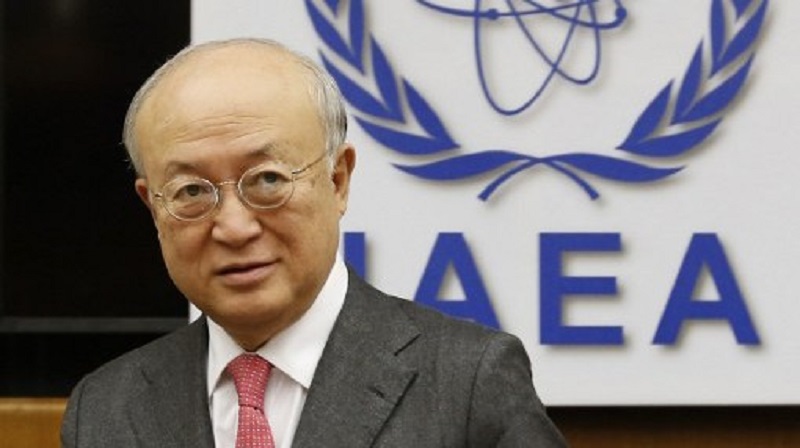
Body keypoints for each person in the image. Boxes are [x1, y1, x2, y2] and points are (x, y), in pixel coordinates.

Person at [60, 37, 567, 447]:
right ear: (153, 208)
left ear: (338, 180)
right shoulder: (106, 408)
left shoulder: (466, 383)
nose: (234, 227)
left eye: (267, 180)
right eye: (192, 191)